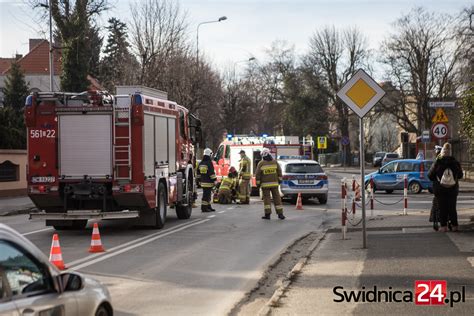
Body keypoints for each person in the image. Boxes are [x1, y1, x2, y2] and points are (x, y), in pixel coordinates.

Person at [428, 143, 463, 232]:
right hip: (452, 189)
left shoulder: (438, 162)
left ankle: (443, 227)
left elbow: (430, 176)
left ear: (442, 151)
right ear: (450, 152)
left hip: (440, 190)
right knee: (452, 208)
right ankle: (455, 226)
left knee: (442, 208)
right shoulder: (455, 162)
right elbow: (460, 176)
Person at [255, 148, 285, 220]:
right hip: (275, 184)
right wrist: (280, 180)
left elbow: (258, 174)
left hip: (265, 185)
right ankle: (280, 214)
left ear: (263, 155)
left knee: (267, 199)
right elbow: (279, 172)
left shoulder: (261, 163)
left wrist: (258, 184)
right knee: (277, 199)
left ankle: (267, 214)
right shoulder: (275, 162)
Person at [197, 148, 217, 212]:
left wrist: (199, 181)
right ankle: (204, 208)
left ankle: (208, 206)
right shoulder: (209, 163)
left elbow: (198, 173)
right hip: (208, 182)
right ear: (209, 154)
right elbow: (211, 172)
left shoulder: (201, 163)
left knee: (207, 195)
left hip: (203, 182)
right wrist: (215, 180)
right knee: (206, 196)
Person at [429, 145, 442, 231]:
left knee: (436, 204)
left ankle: (435, 221)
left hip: (438, 188)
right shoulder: (452, 160)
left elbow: (430, 175)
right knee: (448, 205)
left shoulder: (437, 163)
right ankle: (448, 221)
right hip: (450, 188)